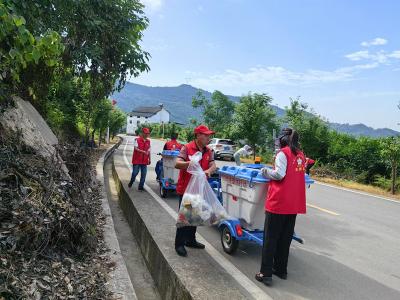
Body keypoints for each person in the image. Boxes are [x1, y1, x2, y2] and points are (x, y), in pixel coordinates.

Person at [255, 128, 306, 286]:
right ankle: (281, 270)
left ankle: (266, 273)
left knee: (270, 238)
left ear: (283, 139)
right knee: (285, 238)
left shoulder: (283, 153)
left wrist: (264, 171)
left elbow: (279, 174)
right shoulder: (301, 154)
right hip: (294, 203)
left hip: (279, 202)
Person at [174, 125, 217, 257]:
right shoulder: (187, 148)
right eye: (206, 135)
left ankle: (191, 240)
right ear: (198, 135)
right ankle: (179, 244)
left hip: (199, 189)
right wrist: (190, 162)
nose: (209, 137)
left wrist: (209, 171)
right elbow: (177, 163)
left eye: (209, 135)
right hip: (186, 188)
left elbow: (213, 165)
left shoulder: (208, 151)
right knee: (185, 217)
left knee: (195, 216)